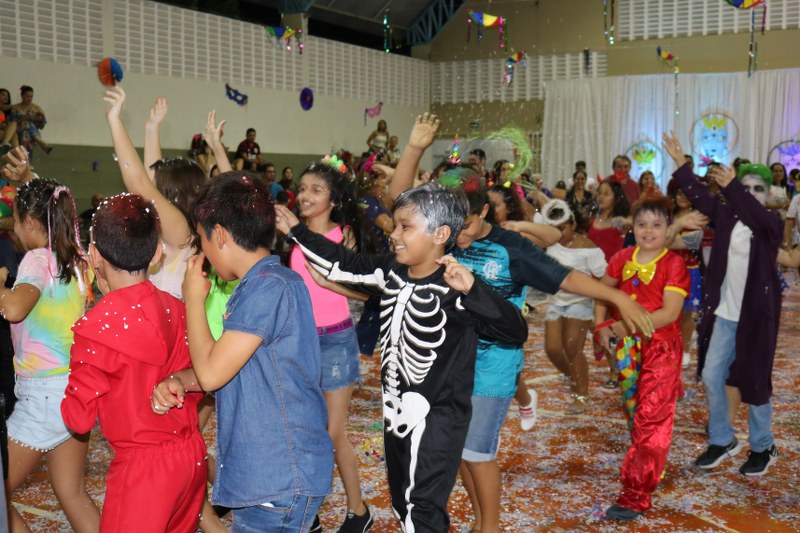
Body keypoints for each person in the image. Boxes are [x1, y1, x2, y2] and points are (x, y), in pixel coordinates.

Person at [387, 113, 653, 533]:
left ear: (484, 210)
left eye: (466, 225)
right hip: (450, 366)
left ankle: (490, 527)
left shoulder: (509, 247)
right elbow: (400, 200)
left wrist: (616, 296)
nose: (458, 235)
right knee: (459, 453)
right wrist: (415, 147)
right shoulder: (438, 236)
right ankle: (480, 521)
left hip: (494, 365)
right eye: (451, 226)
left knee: (477, 453)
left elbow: (563, 276)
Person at [276, 182, 530, 533]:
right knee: (402, 501)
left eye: (405, 226)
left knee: (420, 508)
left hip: (438, 420)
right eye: (395, 225)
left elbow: (515, 329)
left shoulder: (456, 285)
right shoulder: (391, 271)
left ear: (440, 234)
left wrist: (473, 289)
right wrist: (297, 231)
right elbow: (342, 263)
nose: (394, 235)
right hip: (395, 413)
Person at [157, 171, 334, 531]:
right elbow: (230, 366)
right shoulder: (263, 284)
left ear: (220, 235)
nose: (203, 251)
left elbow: (211, 373)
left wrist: (193, 299)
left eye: (202, 239)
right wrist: (180, 380)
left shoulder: (267, 289)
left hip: (278, 476)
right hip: (275, 474)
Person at [61, 193, 206, 531]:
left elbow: (78, 419)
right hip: (191, 457)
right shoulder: (177, 308)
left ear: (94, 255)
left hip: (143, 472)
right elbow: (202, 379)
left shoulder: (95, 328)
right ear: (156, 253)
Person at [663, 133, 781, 477]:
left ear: (769, 194)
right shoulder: (728, 216)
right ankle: (722, 439)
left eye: (758, 188)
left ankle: (763, 446)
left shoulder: (770, 224)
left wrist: (734, 187)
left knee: (755, 381)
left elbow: (754, 213)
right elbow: (699, 195)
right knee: (712, 375)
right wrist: (681, 164)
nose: (751, 193)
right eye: (747, 186)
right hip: (725, 314)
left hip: (757, 317)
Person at [0, 178, 100, 532]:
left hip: (43, 398)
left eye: (15, 220)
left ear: (30, 221)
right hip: (72, 392)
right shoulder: (76, 258)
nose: (13, 228)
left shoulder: (37, 258)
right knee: (73, 494)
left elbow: (14, 309)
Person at [289, 159, 373, 532]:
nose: (305, 195)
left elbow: (368, 292)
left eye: (316, 190)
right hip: (300, 341)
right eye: (302, 188)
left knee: (333, 433)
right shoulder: (290, 233)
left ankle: (359, 511)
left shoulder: (345, 237)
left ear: (334, 200)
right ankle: (310, 512)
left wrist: (328, 283)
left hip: (336, 341)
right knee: (304, 430)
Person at [595, 193, 690, 521]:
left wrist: (621, 326)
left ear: (668, 229)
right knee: (637, 416)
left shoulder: (674, 264)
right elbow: (601, 293)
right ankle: (648, 464)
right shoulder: (622, 257)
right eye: (642, 224)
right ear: (632, 227)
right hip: (627, 352)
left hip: (661, 351)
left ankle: (636, 493)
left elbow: (669, 313)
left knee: (651, 419)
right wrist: (600, 326)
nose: (648, 230)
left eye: (656, 224)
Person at [539, 199, 607, 414]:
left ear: (574, 225)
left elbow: (605, 278)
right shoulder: (550, 243)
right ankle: (573, 375)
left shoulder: (590, 249)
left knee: (572, 348)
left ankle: (582, 395)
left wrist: (600, 310)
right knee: (552, 349)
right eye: (554, 229)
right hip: (555, 302)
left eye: (562, 228)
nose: (558, 233)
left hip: (580, 302)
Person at [8, 86, 51, 155]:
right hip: (17, 132)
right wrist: (24, 118)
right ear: (22, 96)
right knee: (26, 123)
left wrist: (39, 120)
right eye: (27, 96)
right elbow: (11, 124)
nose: (29, 98)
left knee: (26, 131)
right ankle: (39, 141)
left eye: (31, 97)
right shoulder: (15, 108)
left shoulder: (37, 108)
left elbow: (41, 127)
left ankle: (25, 156)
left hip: (29, 134)